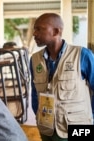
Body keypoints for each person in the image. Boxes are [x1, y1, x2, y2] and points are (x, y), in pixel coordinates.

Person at [30, 13, 94, 141]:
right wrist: (40, 117)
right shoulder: (34, 59)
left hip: (77, 127)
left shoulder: (82, 55)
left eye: (39, 29)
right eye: (34, 29)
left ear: (56, 31)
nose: (34, 33)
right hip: (47, 129)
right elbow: (35, 94)